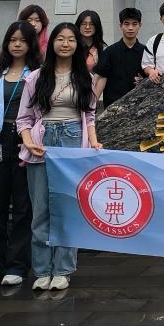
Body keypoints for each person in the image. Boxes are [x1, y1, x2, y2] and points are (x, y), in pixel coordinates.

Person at [17, 22, 101, 291]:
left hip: (72, 141)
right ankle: (42, 270)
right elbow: (23, 119)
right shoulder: (36, 77)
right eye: (60, 39)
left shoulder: (85, 77)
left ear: (77, 44)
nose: (66, 44)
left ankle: (63, 270)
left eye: (71, 40)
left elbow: (89, 115)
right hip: (42, 142)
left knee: (67, 209)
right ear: (52, 42)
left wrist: (93, 141)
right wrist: (28, 142)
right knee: (41, 210)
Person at [0, 21, 41, 288]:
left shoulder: (37, 72)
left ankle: (17, 265)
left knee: (24, 206)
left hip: (26, 140)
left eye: (22, 40)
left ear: (30, 44)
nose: (17, 44)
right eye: (12, 40)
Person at [94, 7, 146, 108]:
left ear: (140, 25)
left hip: (139, 106)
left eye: (134, 24)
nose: (130, 28)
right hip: (113, 107)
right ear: (120, 26)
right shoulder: (110, 52)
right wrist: (92, 104)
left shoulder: (146, 51)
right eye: (126, 24)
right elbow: (100, 77)